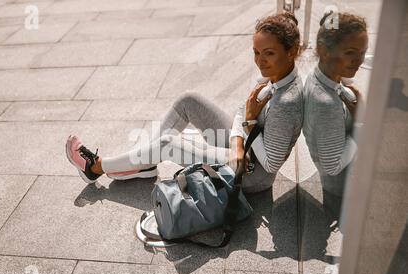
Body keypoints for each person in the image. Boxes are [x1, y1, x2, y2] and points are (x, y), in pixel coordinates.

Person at [66, 12, 304, 194]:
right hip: (242, 146)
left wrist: (249, 124)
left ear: (291, 51)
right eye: (256, 52)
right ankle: (145, 163)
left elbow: (271, 164)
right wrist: (239, 140)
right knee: (189, 100)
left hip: (252, 173)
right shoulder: (274, 73)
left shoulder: (287, 102)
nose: (260, 61)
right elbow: (244, 109)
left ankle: (95, 167)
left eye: (269, 53)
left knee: (169, 144)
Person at [303, 11, 368, 218]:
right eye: (350, 52)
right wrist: (360, 124)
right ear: (324, 50)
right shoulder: (326, 103)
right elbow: (332, 167)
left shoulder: (322, 74)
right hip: (342, 184)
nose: (359, 61)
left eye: (362, 53)